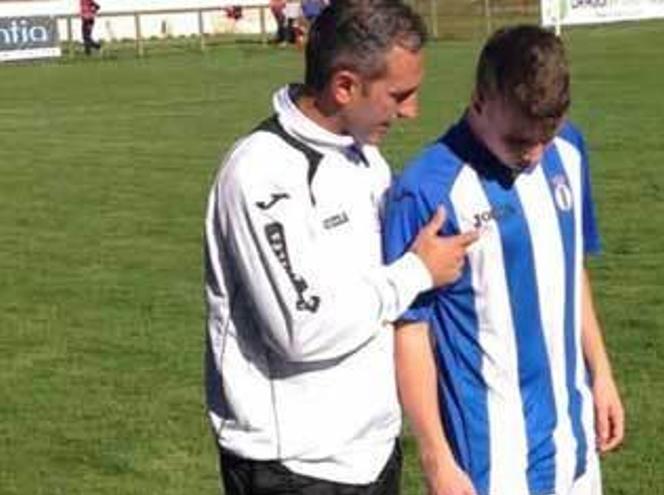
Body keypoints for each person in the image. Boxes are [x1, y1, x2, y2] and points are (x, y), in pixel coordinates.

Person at [203, 1, 477, 494]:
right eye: (400, 95)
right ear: (344, 85)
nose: (411, 111)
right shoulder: (261, 172)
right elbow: (300, 328)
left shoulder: (364, 159)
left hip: (372, 454)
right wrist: (415, 272)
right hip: (292, 469)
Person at [383, 25, 625, 495]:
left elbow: (570, 269)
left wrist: (602, 374)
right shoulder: (426, 190)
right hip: (491, 462)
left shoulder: (570, 151)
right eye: (518, 141)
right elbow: (409, 333)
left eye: (546, 138)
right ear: (479, 101)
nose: (534, 156)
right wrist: (435, 459)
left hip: (574, 446)